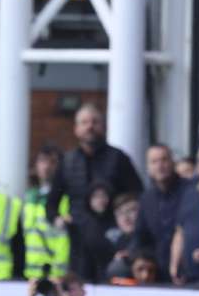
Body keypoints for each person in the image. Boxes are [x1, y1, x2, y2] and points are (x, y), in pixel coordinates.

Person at [48, 103, 143, 279]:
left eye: (95, 122)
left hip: (112, 240)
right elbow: (51, 203)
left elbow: (137, 195)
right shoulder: (67, 162)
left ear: (104, 126)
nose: (90, 126)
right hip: (78, 242)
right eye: (84, 122)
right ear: (76, 129)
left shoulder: (118, 159)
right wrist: (58, 219)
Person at [133, 144, 190, 283]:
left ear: (173, 162)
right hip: (157, 270)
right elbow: (141, 235)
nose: (160, 165)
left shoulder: (190, 191)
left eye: (164, 160)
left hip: (187, 267)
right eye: (154, 161)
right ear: (148, 168)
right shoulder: (146, 198)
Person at [21, 145, 70, 279]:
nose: (46, 167)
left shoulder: (66, 198)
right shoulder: (29, 197)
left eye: (52, 162)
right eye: (42, 161)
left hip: (59, 273)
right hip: (32, 271)